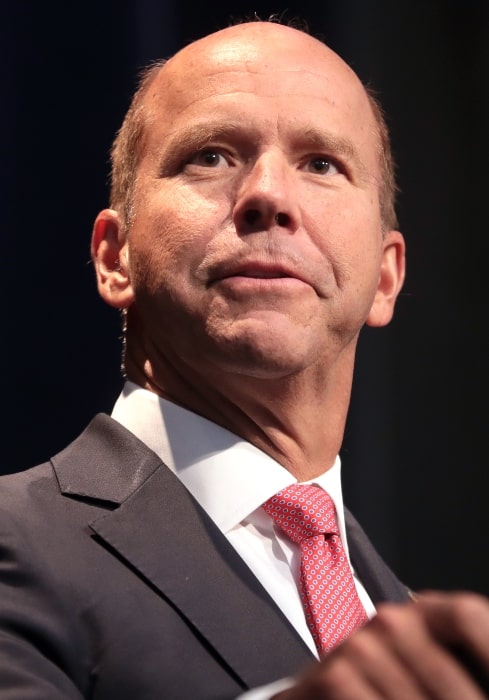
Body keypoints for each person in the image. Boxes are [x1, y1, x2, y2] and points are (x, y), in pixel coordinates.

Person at [1, 18, 488, 700]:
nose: (268, 196)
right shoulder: (17, 542)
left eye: (321, 163)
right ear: (116, 258)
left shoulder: (411, 633)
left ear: (384, 276)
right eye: (211, 156)